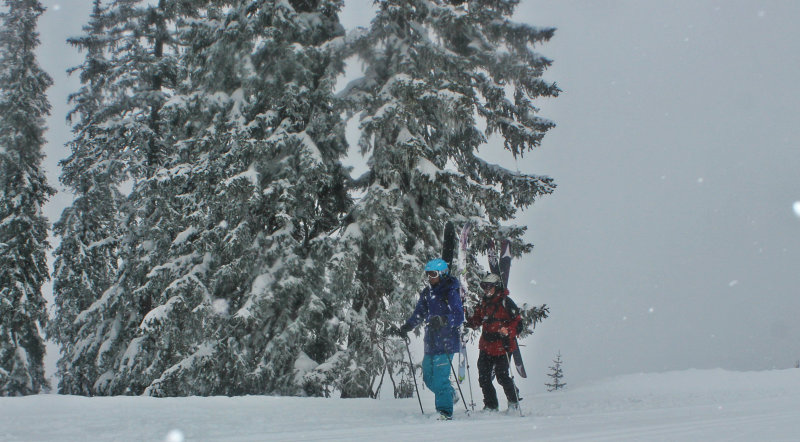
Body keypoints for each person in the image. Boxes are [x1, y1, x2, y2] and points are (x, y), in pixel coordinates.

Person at [393, 258, 464, 420]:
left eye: (433, 274)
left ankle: (445, 412)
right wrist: (407, 327)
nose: (430, 277)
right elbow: (419, 313)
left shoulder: (450, 292)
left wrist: (443, 320)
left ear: (443, 274)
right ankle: (450, 394)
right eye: (428, 274)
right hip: (431, 342)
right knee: (428, 378)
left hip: (446, 342)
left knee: (440, 379)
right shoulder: (427, 293)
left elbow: (459, 316)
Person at [465, 273, 522, 412]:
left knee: (502, 376)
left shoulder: (506, 302)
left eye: (489, 287)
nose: (486, 290)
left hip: (502, 346)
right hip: (486, 345)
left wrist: (507, 330)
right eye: (484, 287)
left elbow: (518, 323)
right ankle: (491, 405)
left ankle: (513, 399)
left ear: (496, 287)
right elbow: (477, 320)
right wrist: (467, 320)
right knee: (483, 377)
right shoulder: (483, 303)